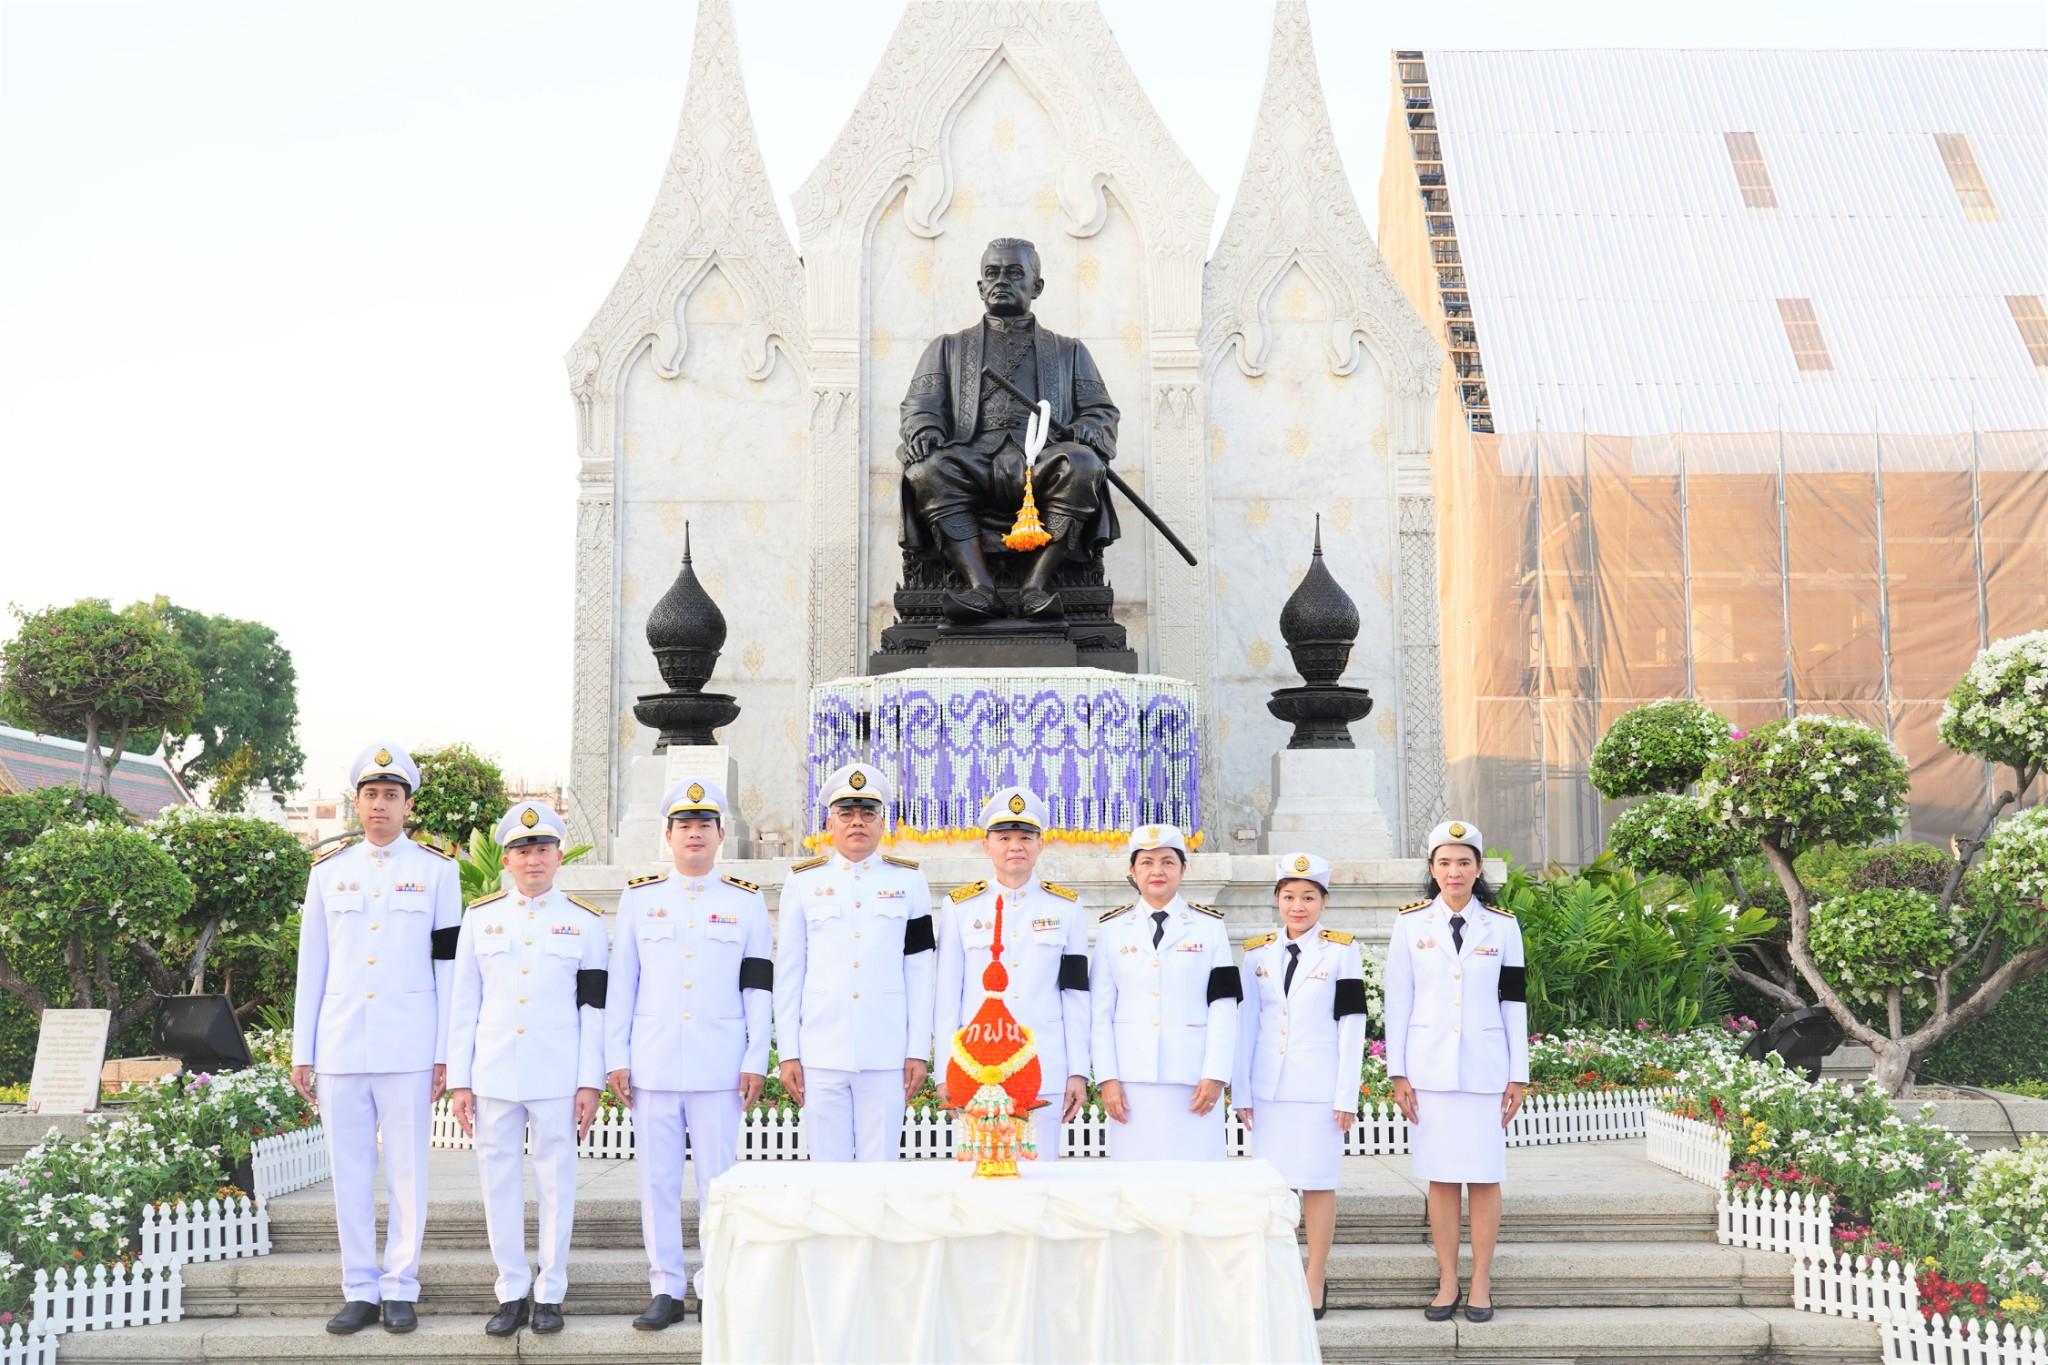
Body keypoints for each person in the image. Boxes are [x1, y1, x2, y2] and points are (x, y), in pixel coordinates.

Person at [289, 744, 461, 1335]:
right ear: (356, 803)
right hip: (340, 1044)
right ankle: (359, 1288)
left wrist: (445, 1053)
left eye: (391, 795)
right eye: (371, 794)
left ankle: (400, 1285)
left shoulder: (439, 870)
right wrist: (302, 1051)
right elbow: (312, 967)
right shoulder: (328, 871)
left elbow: (449, 969)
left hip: (410, 1045)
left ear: (408, 804)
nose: (380, 805)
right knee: (350, 1170)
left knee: (408, 1172)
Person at [606, 777, 772, 1330]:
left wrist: (755, 1057)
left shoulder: (746, 903)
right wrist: (617, 1055)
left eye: (704, 825)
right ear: (669, 835)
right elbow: (621, 984)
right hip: (653, 1060)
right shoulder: (640, 898)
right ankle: (667, 1287)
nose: (694, 833)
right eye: (684, 825)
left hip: (719, 1063)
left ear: (722, 834)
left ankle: (714, 1283)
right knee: (656, 1181)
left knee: (717, 1182)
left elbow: (758, 988)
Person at [444, 800, 606, 1338]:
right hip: (493, 1072)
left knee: (557, 1181)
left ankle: (551, 1289)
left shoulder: (584, 922)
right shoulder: (481, 917)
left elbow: (594, 1010)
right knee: (499, 1181)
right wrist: (461, 1081)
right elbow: (463, 1005)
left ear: (559, 856)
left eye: (541, 849)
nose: (532, 859)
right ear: (506, 861)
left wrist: (590, 1079)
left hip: (558, 1072)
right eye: (521, 850)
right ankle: (512, 1287)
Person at [1383, 820, 1528, 1324]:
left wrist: (1520, 1073)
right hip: (1429, 1073)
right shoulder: (1410, 925)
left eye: (1464, 861)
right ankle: (1448, 1279)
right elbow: (1397, 1002)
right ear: (1431, 869)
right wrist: (1398, 1073)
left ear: (1479, 868)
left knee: (1484, 1179)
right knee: (1442, 1180)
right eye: (1444, 862)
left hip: (1487, 1070)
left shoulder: (1503, 926)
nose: (1454, 871)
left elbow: (1514, 1001)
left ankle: (1481, 1281)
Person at [774, 763, 936, 1161]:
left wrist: (917, 1049)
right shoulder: (803, 882)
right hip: (821, 1051)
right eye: (846, 813)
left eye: (868, 814)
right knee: (828, 1172)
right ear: (830, 822)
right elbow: (790, 972)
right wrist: (789, 1053)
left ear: (883, 824)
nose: (857, 823)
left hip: (886, 1050)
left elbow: (920, 971)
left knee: (880, 1172)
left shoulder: (909, 882)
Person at [1231, 852, 1368, 1321]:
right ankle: (1280, 1270)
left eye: (1308, 896)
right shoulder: (1255, 953)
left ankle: (1315, 1274)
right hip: (1269, 1088)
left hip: (1318, 1087)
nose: (1298, 905)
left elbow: (1352, 1024)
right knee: (1275, 1186)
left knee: (1318, 1183)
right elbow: (1246, 1023)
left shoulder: (1342, 950)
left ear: (1323, 901)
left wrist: (1346, 1093)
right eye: (1289, 896)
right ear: (1277, 900)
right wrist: (1242, 1091)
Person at [936, 787, 1090, 1161]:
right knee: (980, 1179)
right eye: (1004, 838)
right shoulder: (959, 907)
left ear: (1041, 845)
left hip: (1045, 1065)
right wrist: (945, 1069)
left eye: (1025, 837)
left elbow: (1076, 995)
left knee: (1043, 1177)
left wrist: (1078, 1071)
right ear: (986, 846)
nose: (1015, 846)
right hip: (978, 1067)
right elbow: (946, 996)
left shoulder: (1067, 908)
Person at [1089, 823, 1240, 1160]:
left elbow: (1224, 1006)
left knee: (1196, 1181)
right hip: (1131, 1080)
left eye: (1168, 862)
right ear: (1132, 870)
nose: (1157, 870)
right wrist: (1107, 1078)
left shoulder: (1211, 927)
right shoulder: (1112, 930)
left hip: (1193, 1079)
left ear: (1183, 869)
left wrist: (1215, 1074)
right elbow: (1100, 1011)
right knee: (1136, 1183)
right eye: (1146, 862)